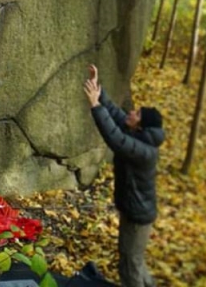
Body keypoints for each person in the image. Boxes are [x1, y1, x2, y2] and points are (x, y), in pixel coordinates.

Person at [83, 64, 165, 287]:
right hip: (134, 210)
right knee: (135, 261)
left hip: (138, 216)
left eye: (136, 114)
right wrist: (98, 89)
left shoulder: (144, 152)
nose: (131, 112)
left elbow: (116, 139)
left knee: (129, 266)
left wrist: (95, 105)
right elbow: (117, 115)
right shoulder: (140, 134)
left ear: (141, 125)